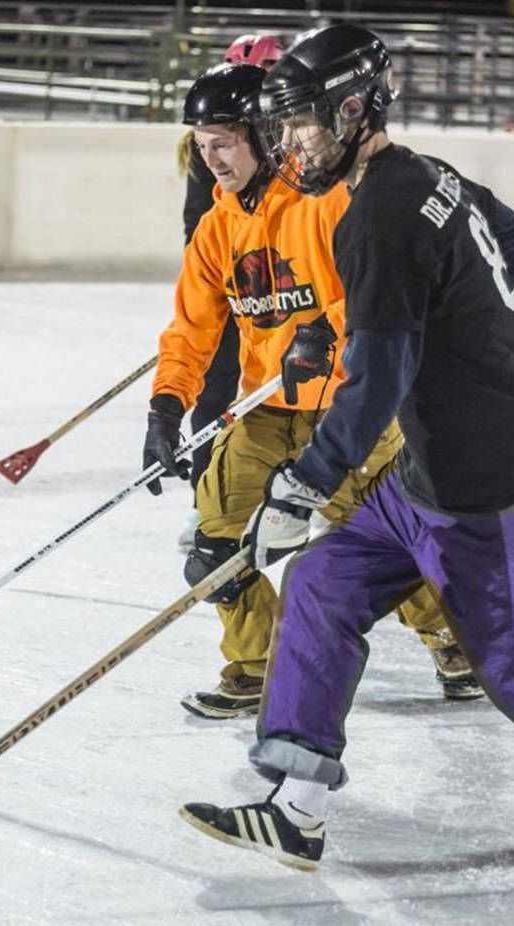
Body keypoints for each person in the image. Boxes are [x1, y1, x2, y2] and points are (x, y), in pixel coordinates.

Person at [180, 23, 514, 895]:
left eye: (305, 125)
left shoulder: (379, 216)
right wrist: (369, 318)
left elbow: (382, 378)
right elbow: (505, 231)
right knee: (322, 584)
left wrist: (306, 481)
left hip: (493, 483)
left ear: (355, 110)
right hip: (423, 478)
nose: (289, 146)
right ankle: (297, 805)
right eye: (279, 128)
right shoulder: (424, 178)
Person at [144, 61, 482, 721]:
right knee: (213, 545)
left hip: (348, 409)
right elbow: (190, 331)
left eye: (226, 143)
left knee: (386, 539)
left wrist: (324, 333)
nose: (213, 158)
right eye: (202, 145)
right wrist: (166, 406)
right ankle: (259, 665)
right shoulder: (216, 228)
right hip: (266, 413)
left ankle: (454, 638)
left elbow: (369, 292)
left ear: (265, 137)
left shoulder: (323, 202)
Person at [176, 34, 287, 552]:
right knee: (217, 393)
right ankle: (209, 504)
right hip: (234, 282)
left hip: (274, 288)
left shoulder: (298, 161)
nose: (213, 155)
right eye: (205, 145)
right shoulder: (212, 148)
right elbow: (203, 222)